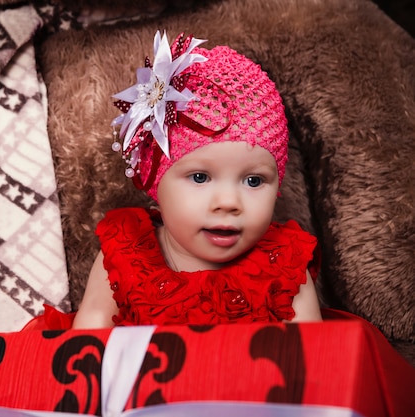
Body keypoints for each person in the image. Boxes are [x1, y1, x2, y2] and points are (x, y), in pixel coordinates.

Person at [71, 31, 322, 329]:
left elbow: (314, 358)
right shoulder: (126, 254)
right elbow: (86, 345)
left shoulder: (283, 263)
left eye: (253, 181)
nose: (228, 203)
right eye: (200, 177)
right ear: (155, 182)